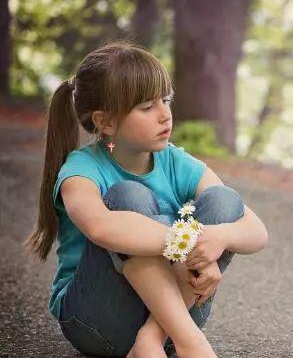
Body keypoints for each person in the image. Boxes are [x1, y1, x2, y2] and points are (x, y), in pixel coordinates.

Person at [25, 42, 268, 358]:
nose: (165, 115)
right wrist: (181, 244)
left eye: (165, 100)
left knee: (222, 200)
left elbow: (255, 230)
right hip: (98, 321)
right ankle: (190, 343)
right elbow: (101, 228)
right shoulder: (81, 170)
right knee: (129, 196)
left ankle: (152, 339)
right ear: (106, 122)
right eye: (146, 107)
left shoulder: (174, 161)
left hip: (170, 322)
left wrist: (215, 239)